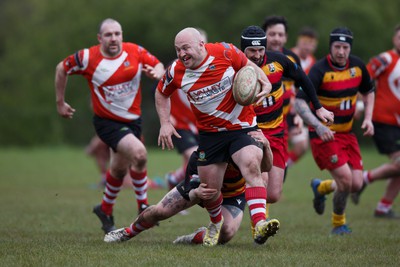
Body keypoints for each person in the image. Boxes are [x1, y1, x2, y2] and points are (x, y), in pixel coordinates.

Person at [155, 27, 274, 247]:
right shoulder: (176, 69)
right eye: (177, 49)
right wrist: (165, 123)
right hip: (211, 135)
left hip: (242, 127)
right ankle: (211, 224)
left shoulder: (226, 52)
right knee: (209, 189)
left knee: (252, 166)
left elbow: (249, 66)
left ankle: (259, 222)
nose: (181, 54)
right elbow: (161, 92)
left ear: (201, 44)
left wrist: (265, 82)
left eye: (185, 48)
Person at [54, 18, 165, 234]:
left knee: (118, 169)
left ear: (122, 35)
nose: (114, 38)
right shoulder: (87, 57)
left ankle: (104, 209)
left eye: (117, 33)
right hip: (107, 123)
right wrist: (60, 102)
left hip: (133, 121)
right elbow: (61, 68)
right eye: (108, 34)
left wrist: (158, 73)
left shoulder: (135, 51)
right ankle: (143, 206)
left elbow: (159, 65)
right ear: (100, 38)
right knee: (140, 154)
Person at [103, 130, 280, 245]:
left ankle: (192, 239)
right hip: (200, 188)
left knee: (226, 234)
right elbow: (192, 176)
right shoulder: (209, 149)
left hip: (233, 193)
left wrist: (266, 146)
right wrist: (196, 192)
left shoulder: (247, 141)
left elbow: (265, 169)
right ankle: (127, 232)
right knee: (160, 212)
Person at [240, 26, 333, 223]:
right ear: (243, 50)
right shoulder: (235, 67)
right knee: (261, 180)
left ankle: (242, 196)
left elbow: (304, 79)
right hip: (249, 133)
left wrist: (318, 108)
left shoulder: (279, 61)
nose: (257, 55)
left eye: (260, 50)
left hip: (276, 132)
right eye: (251, 51)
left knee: (273, 194)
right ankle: (258, 227)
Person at [296, 27, 375, 235]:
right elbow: (299, 103)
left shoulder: (357, 66)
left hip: (348, 134)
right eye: (337, 47)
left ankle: (321, 187)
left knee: (356, 184)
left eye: (345, 47)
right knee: (346, 181)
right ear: (331, 47)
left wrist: (368, 118)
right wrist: (318, 125)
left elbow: (369, 91)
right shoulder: (319, 70)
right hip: (324, 135)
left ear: (350, 48)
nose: (341, 51)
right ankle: (338, 223)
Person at [350, 24, 400, 219]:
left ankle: (383, 208)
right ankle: (364, 179)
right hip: (383, 121)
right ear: (394, 39)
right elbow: (362, 80)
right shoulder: (385, 59)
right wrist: (359, 106)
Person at [262, 15, 309, 172]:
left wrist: (298, 114)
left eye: (280, 35)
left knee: (279, 174)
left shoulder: (292, 58)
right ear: (264, 35)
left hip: (285, 118)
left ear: (286, 37)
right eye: (272, 34)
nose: (276, 39)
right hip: (260, 121)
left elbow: (301, 86)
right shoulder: (255, 57)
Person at [164, 29, 208, 191]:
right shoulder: (175, 69)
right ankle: (182, 193)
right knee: (194, 156)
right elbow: (160, 93)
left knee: (204, 161)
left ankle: (174, 179)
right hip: (180, 124)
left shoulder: (213, 68)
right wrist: (167, 119)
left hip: (202, 124)